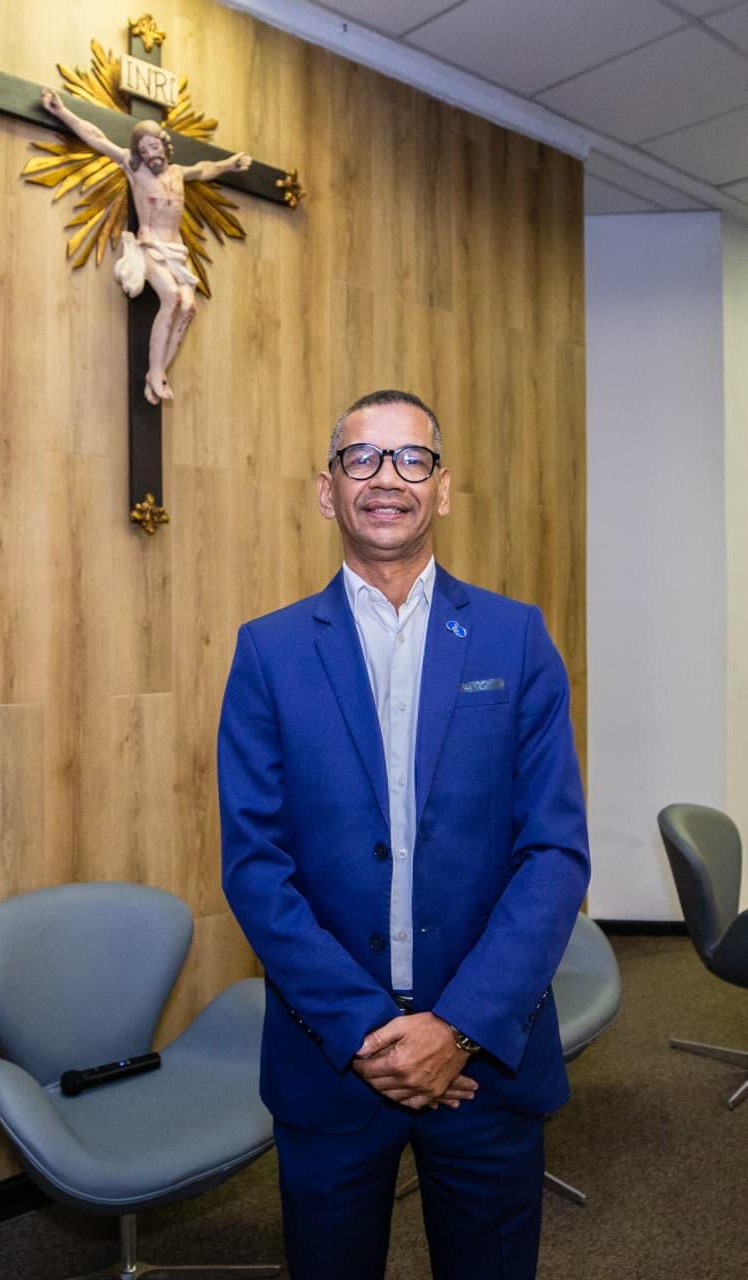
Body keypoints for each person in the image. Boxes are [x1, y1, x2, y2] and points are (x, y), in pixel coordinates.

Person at [218, 389, 590, 1280]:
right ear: (327, 490)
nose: (387, 478)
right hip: (331, 1062)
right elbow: (256, 867)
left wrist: (456, 1028)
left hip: (486, 1060)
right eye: (362, 458)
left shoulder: (515, 639)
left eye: (411, 459)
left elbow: (554, 854)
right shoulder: (268, 652)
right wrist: (366, 1033)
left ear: (443, 488)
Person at [40, 90, 251, 404]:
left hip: (176, 250)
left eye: (154, 146)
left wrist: (229, 164)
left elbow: (205, 168)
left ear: (164, 145)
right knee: (172, 297)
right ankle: (154, 371)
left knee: (189, 307)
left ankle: (158, 374)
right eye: (143, 149)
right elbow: (96, 137)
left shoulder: (178, 173)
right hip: (150, 246)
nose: (150, 152)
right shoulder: (133, 168)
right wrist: (61, 111)